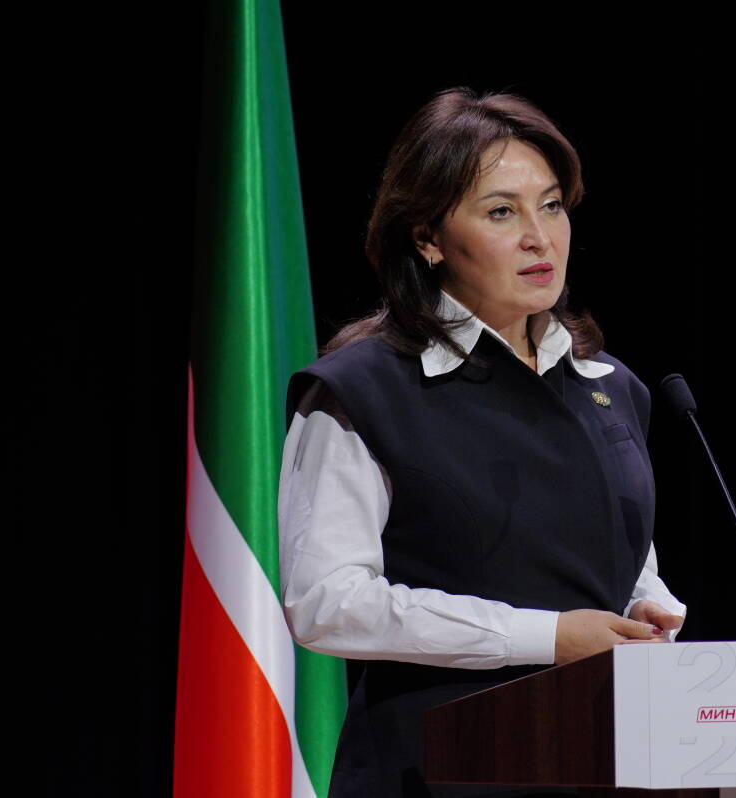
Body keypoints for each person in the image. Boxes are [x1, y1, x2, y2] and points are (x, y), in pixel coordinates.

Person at [278, 87, 686, 798]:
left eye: (551, 205)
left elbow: (623, 560)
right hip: (435, 765)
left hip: (601, 755)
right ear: (427, 238)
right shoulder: (363, 390)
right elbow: (324, 602)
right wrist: (546, 637)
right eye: (502, 212)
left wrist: (645, 609)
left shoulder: (611, 386)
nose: (540, 237)